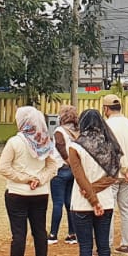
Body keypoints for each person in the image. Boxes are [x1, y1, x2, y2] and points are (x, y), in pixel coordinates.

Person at [0, 106, 61, 256]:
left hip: (17, 192)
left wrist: (25, 179)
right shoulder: (44, 141)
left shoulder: (15, 142)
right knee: (40, 231)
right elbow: (53, 166)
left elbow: (4, 167)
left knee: (19, 234)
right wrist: (39, 179)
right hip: (40, 193)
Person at [64, 108, 120, 256]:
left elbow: (79, 178)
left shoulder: (75, 147)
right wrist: (96, 193)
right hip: (105, 202)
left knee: (86, 247)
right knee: (104, 246)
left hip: (82, 204)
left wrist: (91, 196)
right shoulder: (109, 146)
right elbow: (113, 176)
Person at [100, 95, 128, 254]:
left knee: (108, 208)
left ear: (106, 108)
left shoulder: (105, 126)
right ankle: (126, 244)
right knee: (126, 208)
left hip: (111, 173)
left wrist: (122, 167)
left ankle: (106, 244)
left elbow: (106, 151)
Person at [49, 105, 79, 245]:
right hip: (73, 171)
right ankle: (72, 233)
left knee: (57, 203)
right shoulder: (77, 132)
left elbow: (61, 150)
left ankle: (53, 234)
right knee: (69, 203)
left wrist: (69, 162)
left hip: (60, 169)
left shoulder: (59, 131)